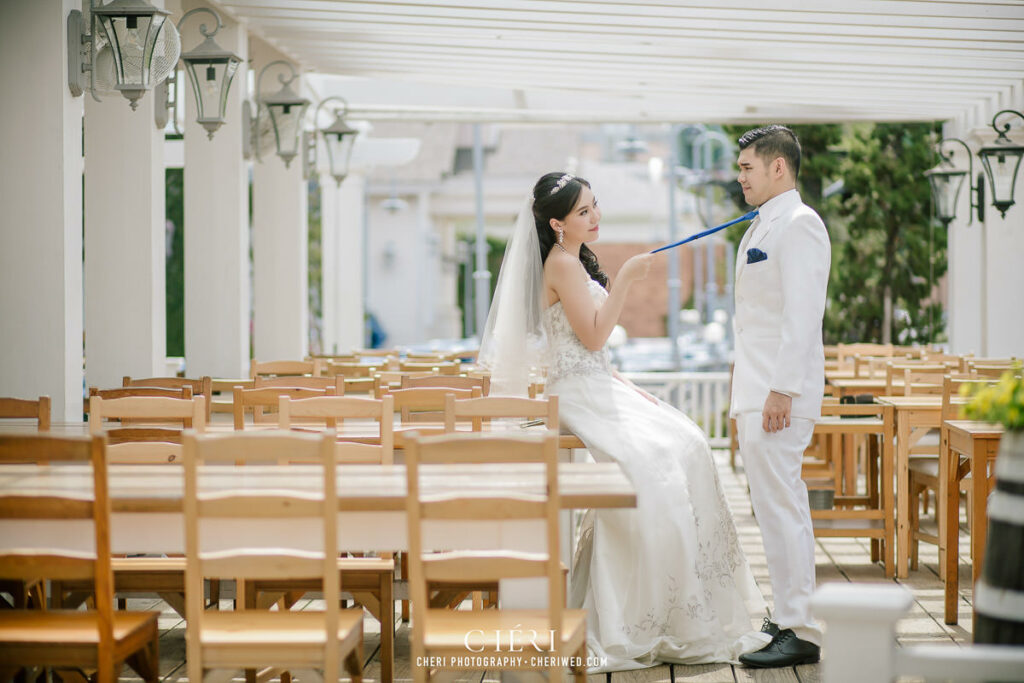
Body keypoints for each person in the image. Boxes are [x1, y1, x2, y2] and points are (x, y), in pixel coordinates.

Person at [479, 172, 768, 672]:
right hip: (576, 393)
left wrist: (631, 388)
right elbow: (591, 337)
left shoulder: (570, 261)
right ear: (557, 223)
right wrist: (628, 281)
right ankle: (643, 613)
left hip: (598, 384)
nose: (595, 217)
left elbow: (594, 354)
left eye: (595, 206)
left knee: (689, 440)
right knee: (651, 465)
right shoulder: (562, 264)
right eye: (583, 212)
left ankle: (681, 605)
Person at [730, 126, 831, 668]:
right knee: (772, 510)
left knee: (783, 508)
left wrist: (781, 389)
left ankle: (801, 628)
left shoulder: (800, 224)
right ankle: (789, 615)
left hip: (778, 394)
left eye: (747, 166)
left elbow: (802, 314)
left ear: (778, 168)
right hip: (758, 390)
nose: (739, 176)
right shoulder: (763, 223)